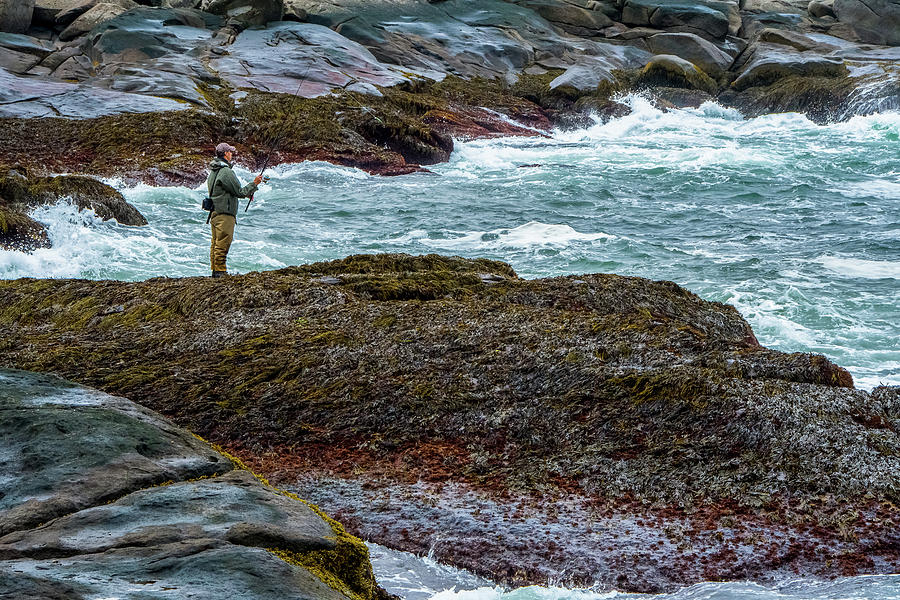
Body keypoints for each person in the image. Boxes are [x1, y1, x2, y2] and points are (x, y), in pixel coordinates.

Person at [207, 143, 263, 278]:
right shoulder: (226, 172)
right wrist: (254, 184)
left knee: (216, 243)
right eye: (230, 152)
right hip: (224, 214)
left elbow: (225, 191)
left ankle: (216, 271)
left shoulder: (214, 171)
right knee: (223, 243)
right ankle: (220, 272)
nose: (232, 154)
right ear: (226, 154)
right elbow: (240, 191)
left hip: (215, 212)